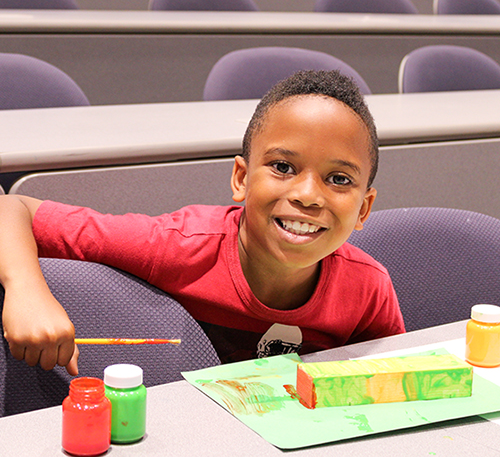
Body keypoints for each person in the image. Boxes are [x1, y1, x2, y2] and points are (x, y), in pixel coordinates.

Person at [0, 70, 405, 375]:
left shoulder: (368, 289)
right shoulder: (176, 246)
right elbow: (11, 207)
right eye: (283, 167)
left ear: (363, 210)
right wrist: (25, 288)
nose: (308, 195)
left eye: (339, 179)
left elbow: (388, 384)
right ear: (242, 178)